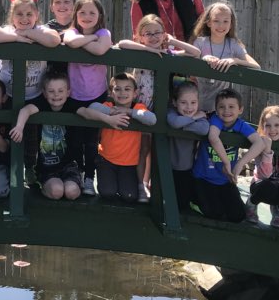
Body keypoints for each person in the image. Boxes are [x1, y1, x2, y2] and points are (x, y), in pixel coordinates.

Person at [116, 14, 202, 199]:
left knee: (155, 148)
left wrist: (173, 41)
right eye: (148, 33)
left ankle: (150, 184)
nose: (153, 37)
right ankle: (139, 184)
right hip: (140, 107)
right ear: (140, 36)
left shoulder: (168, 54)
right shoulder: (139, 52)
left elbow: (195, 53)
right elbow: (122, 44)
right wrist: (147, 49)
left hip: (160, 109)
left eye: (158, 33)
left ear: (164, 35)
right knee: (140, 147)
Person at [10, 69, 126, 201]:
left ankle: (76, 179)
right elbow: (26, 110)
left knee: (71, 192)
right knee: (57, 191)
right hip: (47, 167)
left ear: (68, 92)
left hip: (70, 165)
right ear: (44, 92)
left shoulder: (71, 104)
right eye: (51, 91)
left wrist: (108, 119)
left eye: (61, 91)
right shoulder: (41, 104)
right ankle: (43, 183)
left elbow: (87, 113)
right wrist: (19, 127)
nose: (56, 95)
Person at [0, 0, 61, 178]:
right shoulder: (9, 31)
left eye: (29, 14)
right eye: (19, 14)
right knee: (9, 131)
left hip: (34, 95)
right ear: (12, 16)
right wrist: (17, 37)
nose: (24, 18)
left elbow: (54, 40)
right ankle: (10, 167)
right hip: (9, 94)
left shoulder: (40, 31)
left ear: (36, 15)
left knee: (32, 135)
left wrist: (30, 34)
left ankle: (31, 169)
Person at [63, 0, 112, 196]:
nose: (87, 16)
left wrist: (89, 39)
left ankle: (90, 177)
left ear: (100, 15)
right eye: (82, 12)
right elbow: (69, 41)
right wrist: (90, 38)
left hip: (97, 95)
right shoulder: (73, 31)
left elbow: (101, 50)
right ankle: (77, 173)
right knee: (74, 139)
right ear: (75, 14)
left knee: (92, 140)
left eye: (92, 12)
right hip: (74, 94)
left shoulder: (104, 32)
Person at [191, 88, 265, 223]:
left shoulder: (240, 125)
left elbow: (259, 143)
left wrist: (239, 164)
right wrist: (226, 162)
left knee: (238, 215)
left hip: (225, 179)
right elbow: (213, 137)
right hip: (203, 177)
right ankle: (194, 200)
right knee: (214, 213)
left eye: (231, 107)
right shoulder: (215, 120)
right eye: (221, 107)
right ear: (216, 109)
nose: (226, 111)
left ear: (240, 109)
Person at [88, 73, 156, 203]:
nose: (122, 93)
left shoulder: (138, 108)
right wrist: (113, 111)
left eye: (127, 89)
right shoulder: (108, 105)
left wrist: (128, 112)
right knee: (107, 193)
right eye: (117, 89)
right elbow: (92, 107)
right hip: (106, 159)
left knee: (129, 196)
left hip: (129, 163)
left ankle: (133, 185)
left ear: (135, 93)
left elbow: (151, 119)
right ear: (111, 92)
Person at [190, 2, 260, 114]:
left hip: (221, 110)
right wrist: (204, 58)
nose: (221, 25)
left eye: (225, 21)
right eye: (216, 21)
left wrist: (235, 60)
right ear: (208, 23)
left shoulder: (233, 44)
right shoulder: (200, 43)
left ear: (231, 24)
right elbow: (190, 65)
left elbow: (256, 66)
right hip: (195, 106)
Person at [242, 105, 279, 229]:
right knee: (267, 187)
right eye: (268, 125)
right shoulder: (260, 143)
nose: (272, 129)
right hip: (261, 187)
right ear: (263, 127)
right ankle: (251, 204)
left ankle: (278, 211)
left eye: (277, 125)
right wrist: (268, 151)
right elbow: (264, 175)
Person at [167, 81, 209, 211]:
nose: (189, 107)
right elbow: (175, 122)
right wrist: (194, 117)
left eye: (193, 103)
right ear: (175, 102)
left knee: (182, 202)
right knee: (166, 200)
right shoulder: (172, 112)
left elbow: (204, 129)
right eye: (183, 102)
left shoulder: (200, 117)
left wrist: (187, 122)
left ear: (198, 102)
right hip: (168, 166)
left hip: (187, 168)